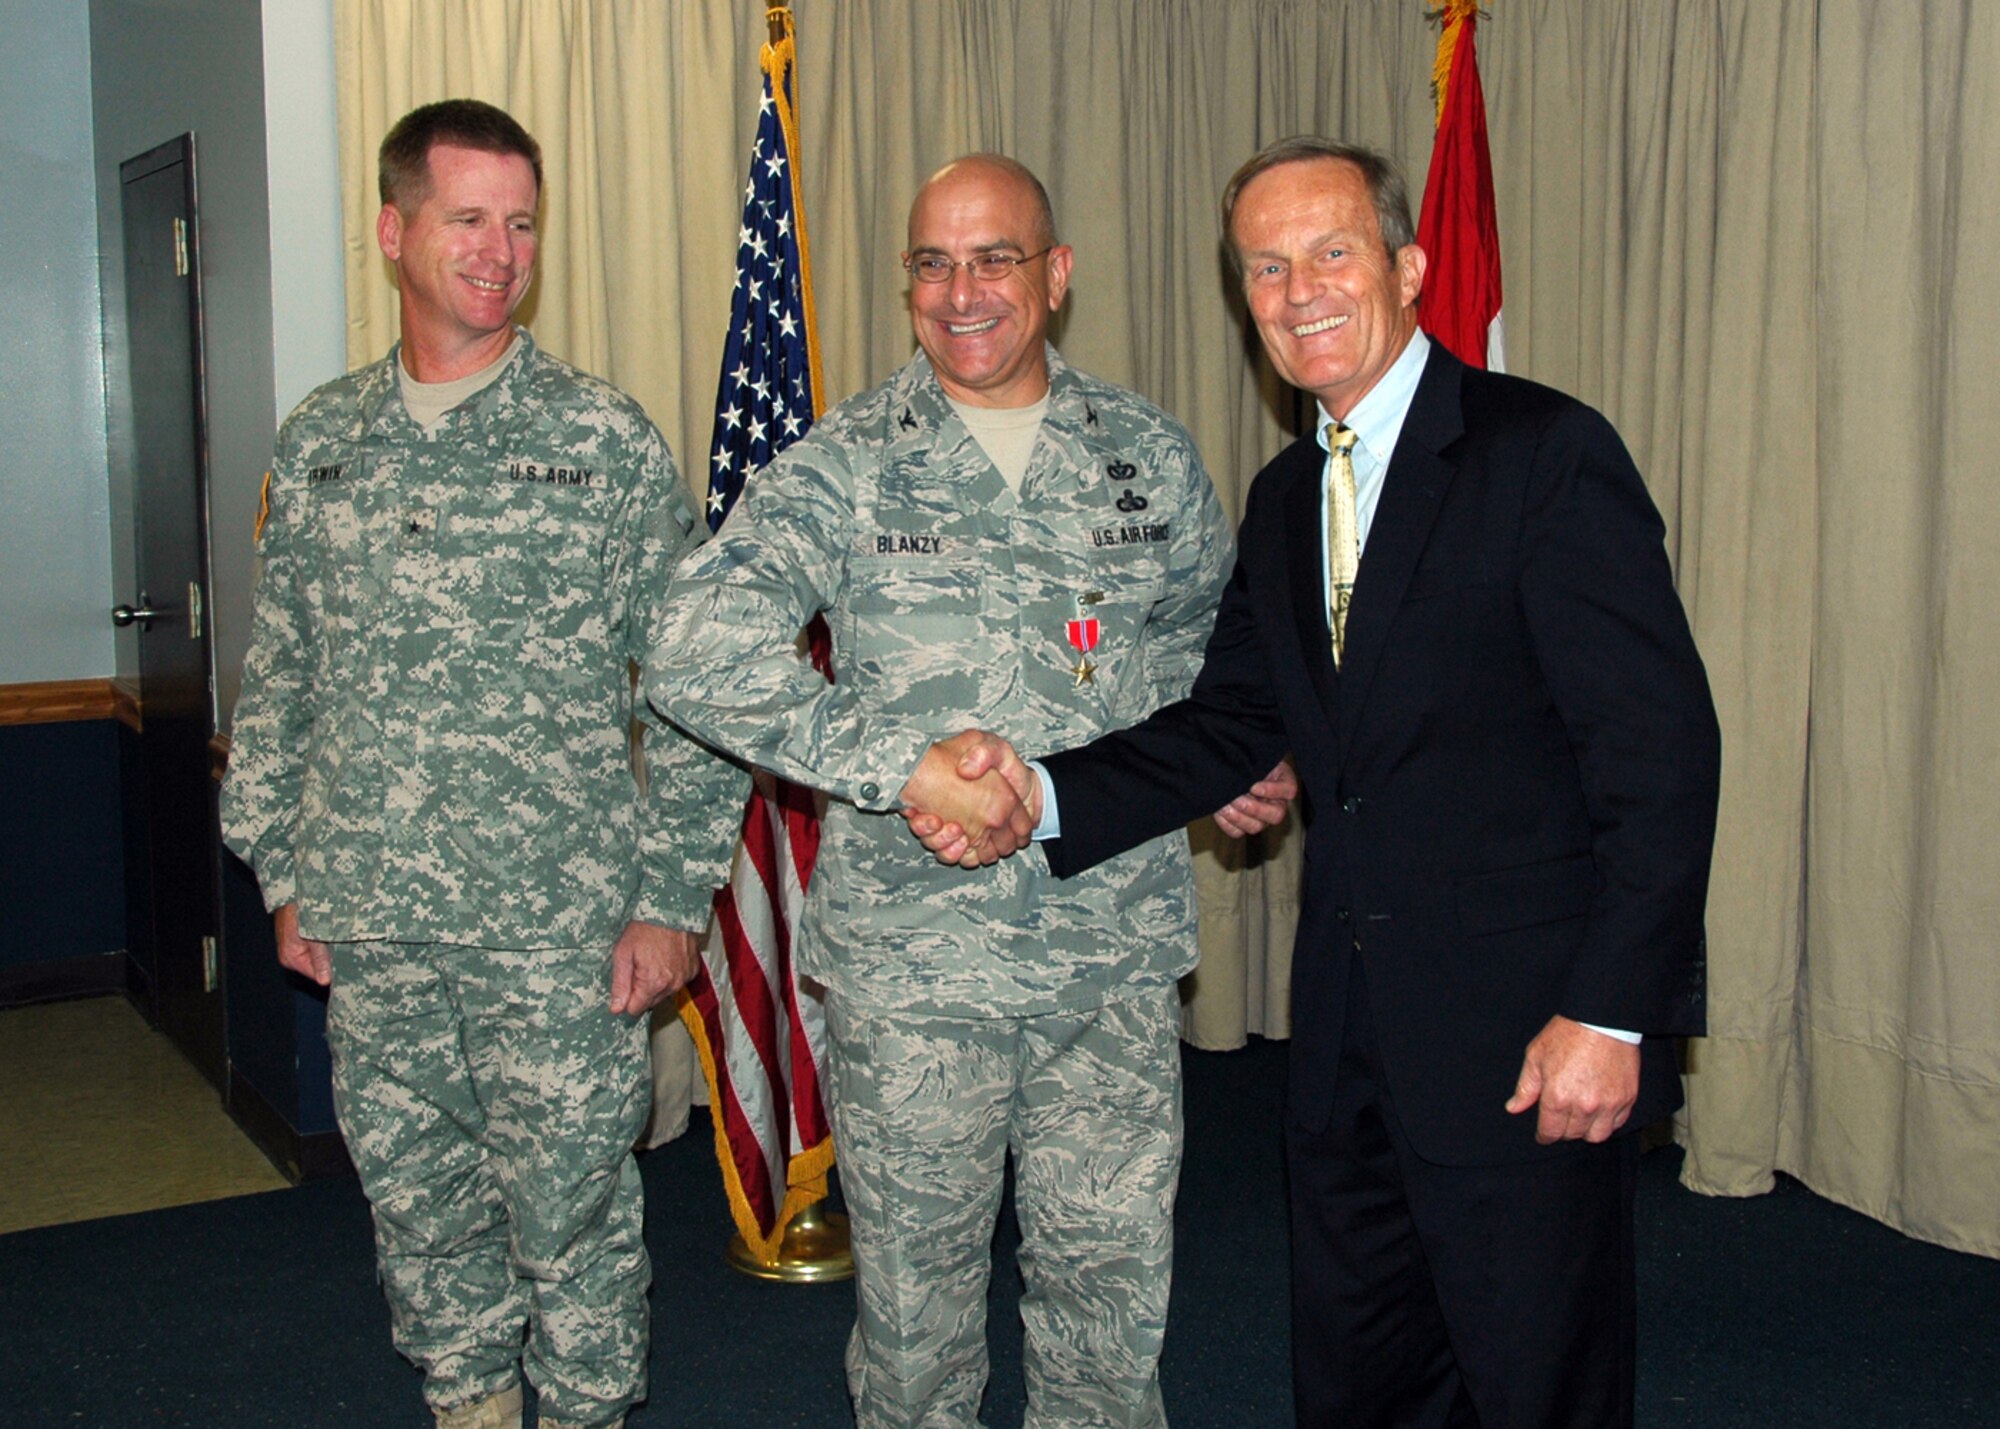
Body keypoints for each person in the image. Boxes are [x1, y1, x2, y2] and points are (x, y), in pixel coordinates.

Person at [911, 138, 1721, 1428]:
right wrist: (1038, 792)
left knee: (1534, 1381)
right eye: (1264, 268)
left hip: (1525, 1038)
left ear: (1405, 267)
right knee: (1363, 1379)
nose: (1297, 293)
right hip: (1344, 1038)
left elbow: (1661, 758)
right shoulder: (1287, 496)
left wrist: (1611, 1015)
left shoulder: (1542, 455)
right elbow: (1232, 720)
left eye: (1330, 254)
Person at [646, 154, 1271, 1427]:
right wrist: (900, 763)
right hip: (916, 977)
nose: (960, 289)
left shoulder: (1143, 454)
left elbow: (1222, 657)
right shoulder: (847, 464)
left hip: (1105, 956)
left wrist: (1239, 765)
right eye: (932, 260)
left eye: (994, 257)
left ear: (1055, 274)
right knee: (918, 1326)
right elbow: (690, 645)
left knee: (1110, 1308)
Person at [220, 99, 740, 1429]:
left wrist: (672, 899)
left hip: (559, 934)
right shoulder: (322, 444)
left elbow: (692, 690)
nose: (498, 250)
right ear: (394, 232)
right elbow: (279, 680)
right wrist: (283, 870)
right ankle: (471, 1409)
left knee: (575, 1226)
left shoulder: (601, 440)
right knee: (422, 1214)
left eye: (520, 223)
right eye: (467, 219)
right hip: (374, 924)